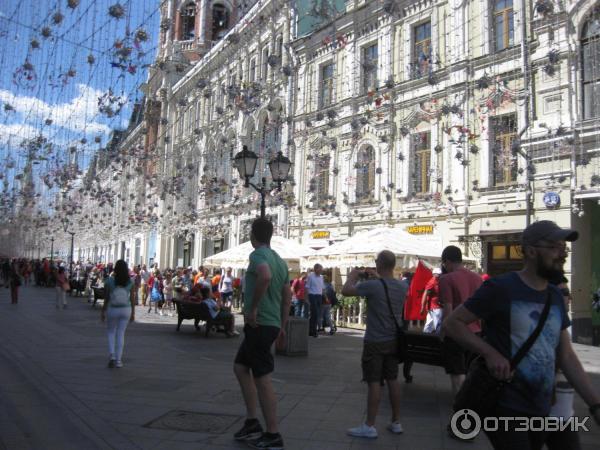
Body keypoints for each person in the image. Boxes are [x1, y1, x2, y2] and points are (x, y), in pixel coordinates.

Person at [443, 220, 600, 448]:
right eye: (555, 247)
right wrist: (489, 353)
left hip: (544, 406)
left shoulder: (555, 297)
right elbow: (452, 323)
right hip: (505, 405)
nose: (562, 254)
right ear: (531, 250)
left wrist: (595, 405)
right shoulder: (501, 288)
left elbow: (566, 356)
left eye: (563, 248)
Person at [233, 218, 291, 450]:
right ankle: (252, 421)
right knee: (240, 367)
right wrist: (282, 326)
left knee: (262, 378)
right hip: (271, 324)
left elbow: (264, 276)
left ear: (253, 235)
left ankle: (273, 433)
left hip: (259, 323)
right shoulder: (280, 261)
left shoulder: (258, 256)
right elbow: (287, 298)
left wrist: (254, 307)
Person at [342, 250, 408, 438]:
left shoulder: (372, 286)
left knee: (374, 382)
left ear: (379, 264)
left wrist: (353, 276)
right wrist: (377, 276)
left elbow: (346, 290)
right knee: (393, 379)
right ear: (393, 265)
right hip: (393, 340)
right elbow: (385, 285)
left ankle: (370, 425)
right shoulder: (402, 287)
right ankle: (396, 421)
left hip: (375, 341)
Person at [438, 245, 482, 395]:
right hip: (475, 332)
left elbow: (448, 309)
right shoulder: (477, 279)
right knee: (470, 372)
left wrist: (443, 331)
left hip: (455, 334)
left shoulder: (446, 279)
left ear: (448, 261)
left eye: (444, 263)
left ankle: (461, 409)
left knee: (457, 375)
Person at [101, 259, 135, 368]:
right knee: (121, 334)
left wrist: (103, 310)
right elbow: (133, 299)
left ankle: (112, 355)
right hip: (126, 309)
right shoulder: (130, 282)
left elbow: (106, 297)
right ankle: (119, 361)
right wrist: (133, 313)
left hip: (113, 308)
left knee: (111, 332)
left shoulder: (110, 281)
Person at [420, 268, 442, 334]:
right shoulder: (432, 282)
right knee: (438, 325)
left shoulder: (439, 281)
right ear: (433, 274)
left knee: (429, 324)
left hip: (434, 307)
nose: (438, 275)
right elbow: (425, 294)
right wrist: (422, 307)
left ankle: (425, 338)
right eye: (437, 274)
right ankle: (438, 339)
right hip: (435, 307)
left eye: (439, 274)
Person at [305, 264, 324, 337]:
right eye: (320, 269)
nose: (322, 270)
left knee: (317, 314)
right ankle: (313, 331)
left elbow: (322, 288)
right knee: (314, 313)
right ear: (315, 269)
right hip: (312, 295)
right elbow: (307, 287)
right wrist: (306, 298)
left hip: (319, 296)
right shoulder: (310, 276)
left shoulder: (321, 277)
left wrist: (324, 296)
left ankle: (311, 330)